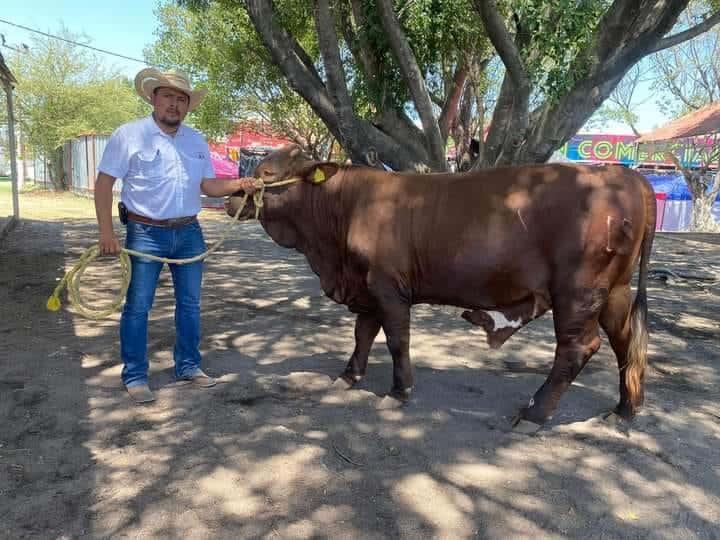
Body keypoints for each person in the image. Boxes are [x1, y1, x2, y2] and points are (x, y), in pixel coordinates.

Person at [94, 68, 259, 403]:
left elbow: (208, 186)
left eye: (181, 99)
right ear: (153, 98)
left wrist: (239, 184)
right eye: (167, 96)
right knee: (138, 306)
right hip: (144, 233)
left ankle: (188, 365)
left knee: (190, 304)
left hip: (189, 232)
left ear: (187, 106)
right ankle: (136, 375)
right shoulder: (128, 135)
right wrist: (106, 231)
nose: (174, 104)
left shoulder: (196, 140)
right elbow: (104, 183)